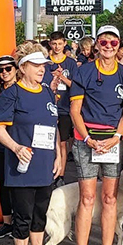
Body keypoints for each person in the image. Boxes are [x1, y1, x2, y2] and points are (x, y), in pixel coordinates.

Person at [0, 42, 63, 245]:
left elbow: (53, 127)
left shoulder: (45, 91)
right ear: (23, 67)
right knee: (22, 215)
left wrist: (59, 156)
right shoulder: (12, 93)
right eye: (36, 65)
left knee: (40, 214)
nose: (42, 69)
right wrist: (16, 147)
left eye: (44, 65)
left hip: (45, 165)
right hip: (21, 168)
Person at [69, 25, 123, 245]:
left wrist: (117, 137)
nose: (108, 47)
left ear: (119, 45)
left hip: (112, 141)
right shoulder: (84, 71)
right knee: (87, 198)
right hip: (87, 141)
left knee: (110, 198)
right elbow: (75, 110)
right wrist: (87, 137)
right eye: (103, 42)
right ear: (96, 45)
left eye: (113, 43)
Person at [0, 55, 18, 239]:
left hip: (18, 142)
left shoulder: (22, 89)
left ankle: (21, 222)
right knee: (3, 183)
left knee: (20, 185)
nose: (5, 72)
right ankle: (7, 222)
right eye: (1, 70)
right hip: (0, 144)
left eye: (8, 68)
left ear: (16, 69)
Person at [43, 31, 77, 182]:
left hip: (64, 108)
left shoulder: (70, 63)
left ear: (64, 44)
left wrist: (62, 77)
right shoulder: (45, 62)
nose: (57, 47)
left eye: (60, 44)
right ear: (50, 44)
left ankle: (61, 176)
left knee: (62, 142)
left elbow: (75, 86)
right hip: (47, 107)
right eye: (54, 44)